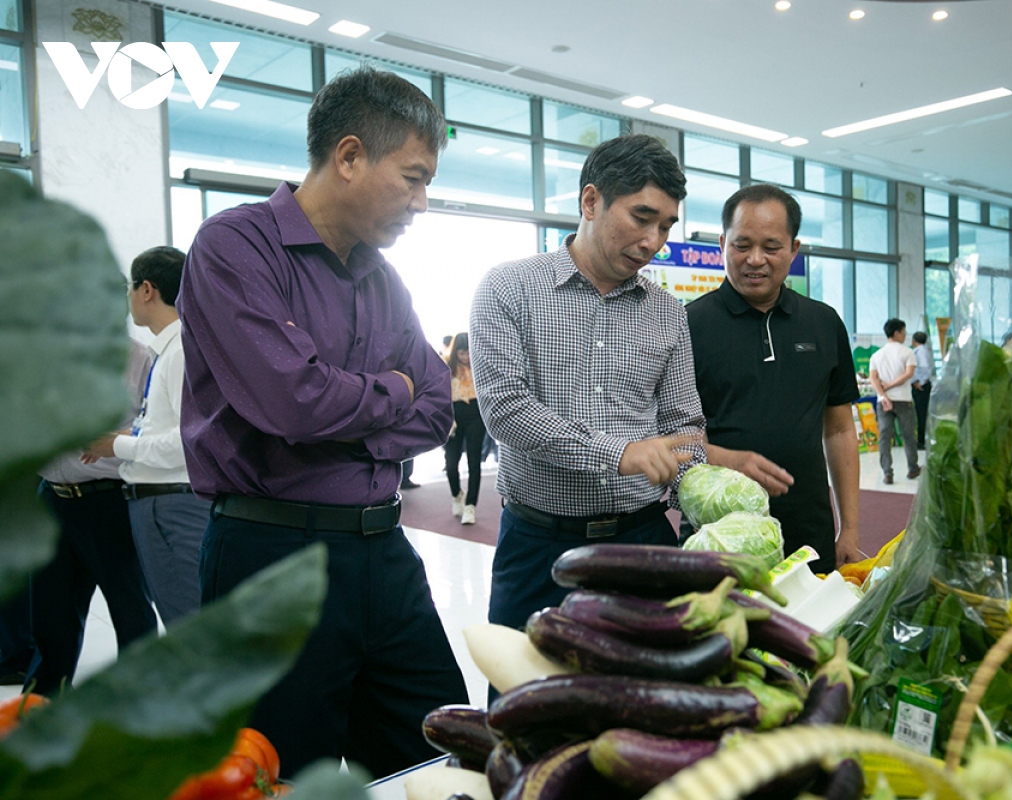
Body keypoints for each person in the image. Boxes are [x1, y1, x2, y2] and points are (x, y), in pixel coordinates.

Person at [176, 67, 467, 780]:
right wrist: (385, 389)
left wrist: (351, 404)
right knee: (276, 772)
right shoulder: (235, 247)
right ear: (348, 157)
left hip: (385, 557)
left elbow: (435, 410)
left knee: (439, 754)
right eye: (413, 178)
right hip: (271, 554)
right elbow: (291, 401)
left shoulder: (383, 278)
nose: (422, 203)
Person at [471, 133, 706, 631]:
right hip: (540, 547)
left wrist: (708, 509)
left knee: (644, 699)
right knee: (526, 696)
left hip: (642, 541)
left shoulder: (667, 312)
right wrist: (618, 453)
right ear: (591, 200)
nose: (653, 242)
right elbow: (507, 411)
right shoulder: (508, 288)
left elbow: (685, 427)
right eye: (641, 218)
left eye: (665, 226)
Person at [687, 185, 860, 574]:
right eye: (742, 245)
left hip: (809, 527)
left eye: (772, 246)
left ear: (794, 249)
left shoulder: (823, 322)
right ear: (722, 243)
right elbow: (672, 434)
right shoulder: (687, 325)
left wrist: (849, 528)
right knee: (723, 631)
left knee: (810, 629)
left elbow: (839, 431)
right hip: (717, 531)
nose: (755, 260)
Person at [83, 246, 208, 627]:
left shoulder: (182, 349)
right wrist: (132, 433)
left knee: (187, 622)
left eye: (130, 288)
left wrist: (116, 445)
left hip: (173, 505)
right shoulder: (169, 348)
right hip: (161, 504)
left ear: (148, 290)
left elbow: (189, 440)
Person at [30, 341, 158, 692]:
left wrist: (113, 439)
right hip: (51, 498)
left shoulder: (141, 358)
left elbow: (158, 429)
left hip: (108, 499)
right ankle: (42, 701)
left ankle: (139, 701)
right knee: (49, 612)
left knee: (129, 607)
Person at [869, 318, 920, 485]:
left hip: (883, 402)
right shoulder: (907, 352)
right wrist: (891, 386)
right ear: (897, 333)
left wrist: (883, 395)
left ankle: (887, 473)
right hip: (903, 400)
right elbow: (908, 374)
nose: (905, 336)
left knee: (884, 437)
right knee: (908, 436)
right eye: (904, 332)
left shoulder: (876, 355)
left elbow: (873, 378)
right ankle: (913, 469)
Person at [443, 332, 485, 525]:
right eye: (461, 353)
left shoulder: (480, 366)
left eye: (468, 352)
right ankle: (457, 495)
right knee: (451, 463)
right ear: (455, 352)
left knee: (474, 462)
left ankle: (470, 506)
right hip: (453, 417)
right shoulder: (446, 368)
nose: (466, 357)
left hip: (476, 415)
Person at [910, 330, 934, 449]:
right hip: (920, 385)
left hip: (921, 387)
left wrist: (921, 382)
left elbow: (925, 368)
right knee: (921, 413)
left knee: (921, 414)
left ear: (914, 340)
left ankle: (921, 441)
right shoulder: (922, 351)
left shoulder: (921, 352)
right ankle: (921, 439)